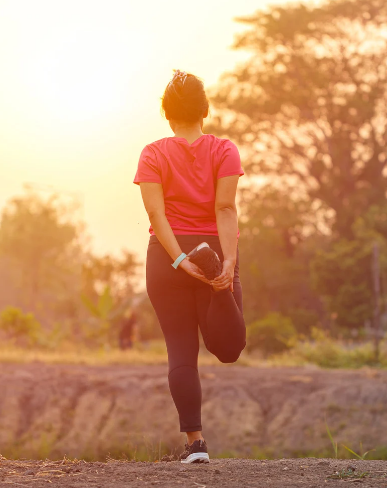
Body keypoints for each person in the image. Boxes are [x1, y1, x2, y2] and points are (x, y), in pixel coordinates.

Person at [133, 70, 247, 464]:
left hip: (165, 258)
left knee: (180, 353)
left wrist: (178, 259)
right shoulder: (224, 150)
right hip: (213, 249)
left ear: (167, 115)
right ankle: (218, 286)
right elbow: (225, 207)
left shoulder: (152, 153)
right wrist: (228, 263)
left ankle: (196, 444)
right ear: (205, 109)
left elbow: (154, 211)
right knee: (228, 349)